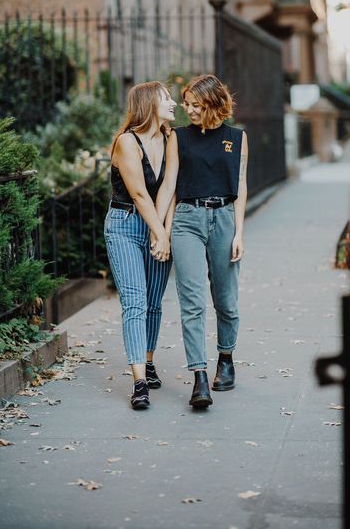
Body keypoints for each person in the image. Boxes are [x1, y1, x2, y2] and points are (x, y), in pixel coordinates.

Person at [156, 74, 248, 409]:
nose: (188, 110)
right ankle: (199, 377)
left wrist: (239, 231)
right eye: (186, 104)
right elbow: (169, 185)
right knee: (192, 303)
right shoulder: (179, 138)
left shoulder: (237, 138)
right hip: (187, 221)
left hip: (224, 218)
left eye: (195, 105)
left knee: (226, 300)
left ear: (211, 103)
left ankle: (225, 359)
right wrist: (161, 230)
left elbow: (241, 185)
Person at [104, 81, 177, 410]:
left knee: (153, 303)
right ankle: (139, 381)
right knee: (135, 302)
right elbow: (137, 193)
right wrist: (157, 233)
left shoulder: (170, 137)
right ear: (149, 104)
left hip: (158, 223)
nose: (173, 103)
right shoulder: (126, 142)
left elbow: (170, 189)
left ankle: (148, 360)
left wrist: (163, 230)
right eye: (167, 98)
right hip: (124, 226)